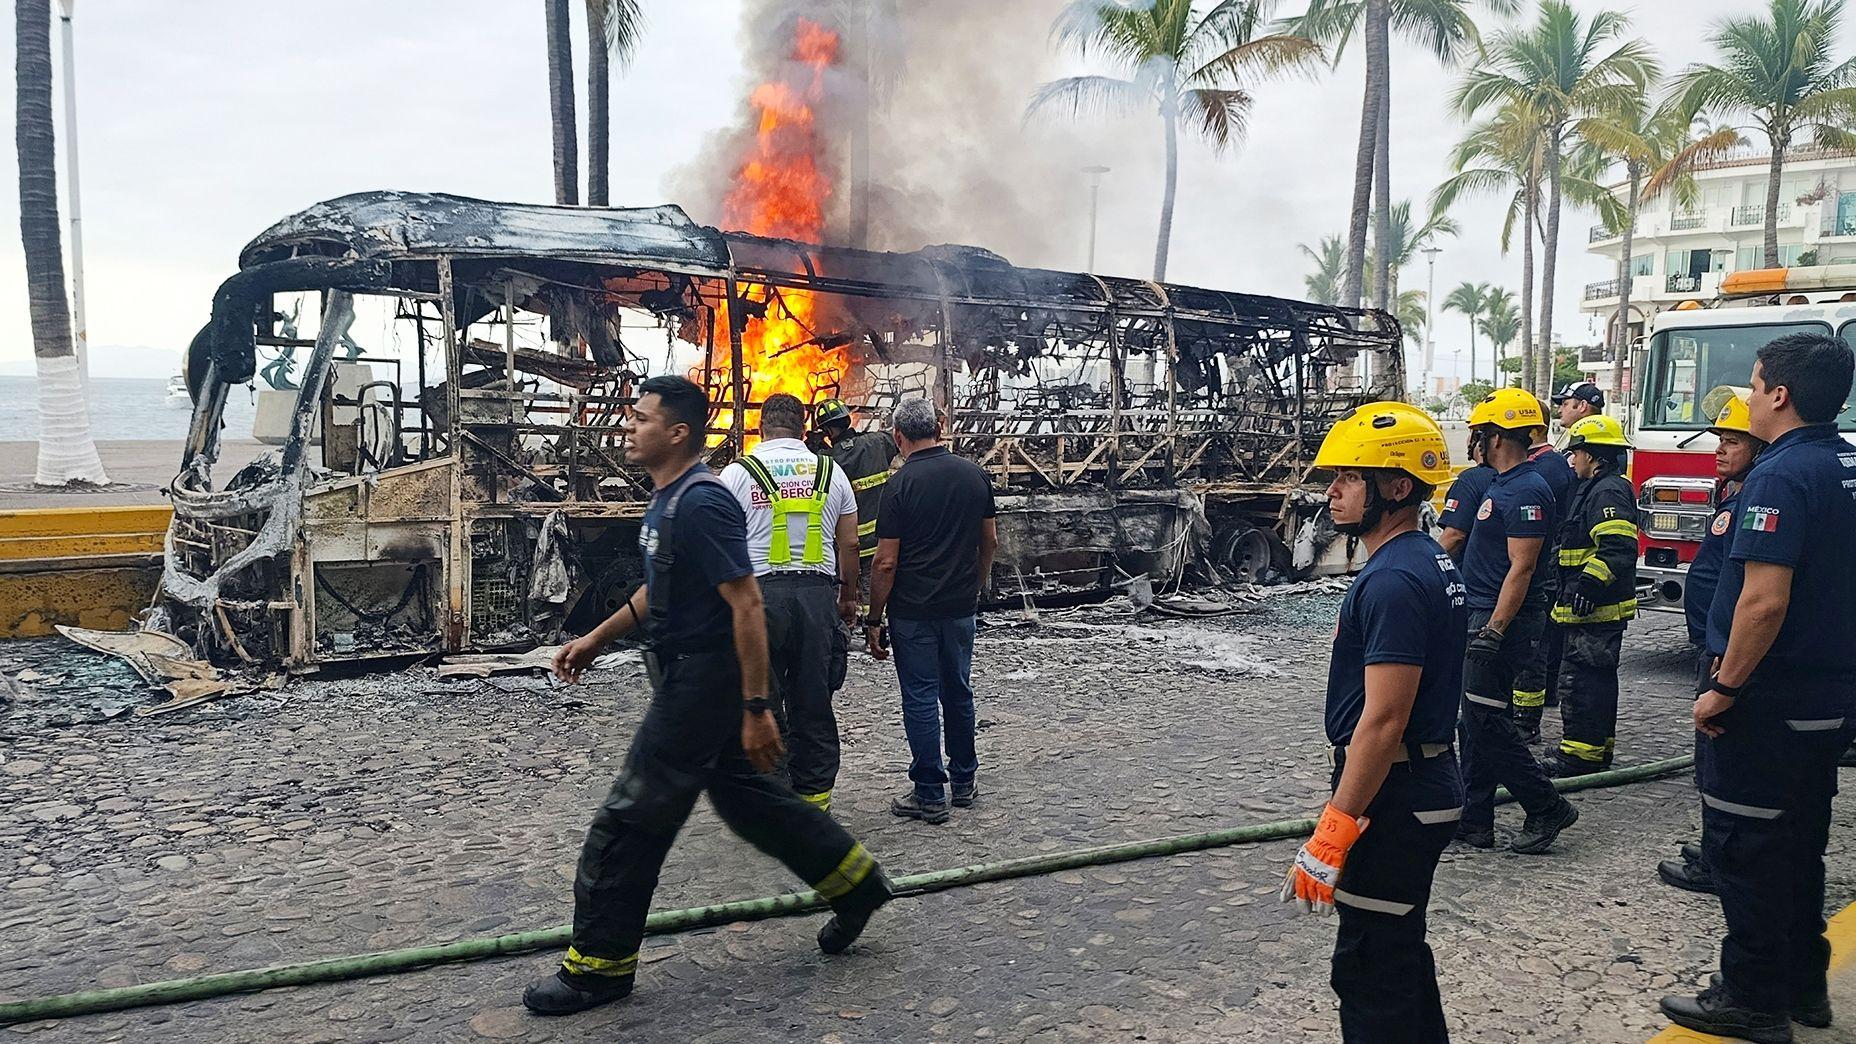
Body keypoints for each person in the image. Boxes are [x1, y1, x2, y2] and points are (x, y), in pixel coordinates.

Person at [525, 376, 890, 1016]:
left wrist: (754, 707)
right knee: (757, 806)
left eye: (641, 419)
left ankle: (598, 968)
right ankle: (855, 885)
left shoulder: (704, 502)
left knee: (630, 819)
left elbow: (745, 599)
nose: (629, 428)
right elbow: (656, 592)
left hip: (701, 682)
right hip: (687, 675)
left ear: (678, 433)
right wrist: (593, 638)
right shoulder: (670, 502)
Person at [1661, 333, 1856, 1043]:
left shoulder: (1778, 477)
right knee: (1799, 843)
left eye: (1751, 384)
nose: (1745, 398)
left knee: (1744, 851)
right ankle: (1804, 984)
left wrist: (1725, 688)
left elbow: (1763, 602)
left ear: (1778, 395)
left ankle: (1751, 998)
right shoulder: (1846, 464)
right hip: (1828, 698)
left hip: (1767, 703)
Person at [1279, 402, 1467, 1044]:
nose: (1331, 491)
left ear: (1396, 486)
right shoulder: (1425, 559)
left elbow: (1383, 722)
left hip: (1398, 795)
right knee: (1398, 950)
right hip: (1422, 784)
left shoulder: (1392, 579)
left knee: (1369, 969)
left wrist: (1333, 829)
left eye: (1349, 477)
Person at [720, 393, 860, 813]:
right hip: (816, 599)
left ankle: (775, 803)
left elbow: (721, 545)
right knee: (812, 702)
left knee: (762, 701)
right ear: (804, 429)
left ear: (761, 428)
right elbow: (850, 542)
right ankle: (814, 804)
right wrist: (849, 597)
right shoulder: (830, 472)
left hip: (758, 600)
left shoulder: (736, 475)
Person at [1455, 388, 1580, 854]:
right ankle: (1475, 820)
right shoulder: (1501, 483)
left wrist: (1494, 630)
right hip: (1483, 612)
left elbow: (1521, 567)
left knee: (1486, 720)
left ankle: (1546, 805)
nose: (1474, 443)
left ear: (1495, 436)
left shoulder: (1527, 488)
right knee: (1475, 720)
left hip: (1500, 620)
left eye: (1479, 434)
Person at [862, 397, 997, 824]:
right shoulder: (975, 475)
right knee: (958, 691)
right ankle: (963, 782)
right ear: (939, 428)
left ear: (899, 436)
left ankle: (929, 793)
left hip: (913, 612)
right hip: (959, 608)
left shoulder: (899, 486)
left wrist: (873, 617)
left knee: (920, 696)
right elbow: (988, 542)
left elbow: (885, 561)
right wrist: (974, 586)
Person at [1659, 389, 1766, 896]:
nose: (1719, 450)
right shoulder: (1736, 492)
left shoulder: (1756, 497)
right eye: (1719, 439)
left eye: (1732, 440)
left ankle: (1719, 863)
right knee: (1712, 758)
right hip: (1713, 642)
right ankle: (1715, 844)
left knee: (1721, 761)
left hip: (1725, 650)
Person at [1543, 415, 1639, 778]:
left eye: (1577, 453)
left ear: (1595, 456)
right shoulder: (1598, 488)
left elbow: (1617, 547)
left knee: (1582, 680)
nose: (1571, 460)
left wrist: (1588, 586)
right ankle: (1594, 748)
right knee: (1593, 679)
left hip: (1596, 607)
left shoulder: (1608, 491)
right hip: (1589, 606)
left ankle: (1580, 756)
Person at [1514, 404, 1575, 744]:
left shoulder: (1547, 468)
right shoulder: (1547, 465)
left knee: (1535, 648)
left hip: (1542, 568)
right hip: (1545, 566)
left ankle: (1527, 719)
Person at [814, 398, 899, 570]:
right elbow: (894, 441)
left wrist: (813, 447)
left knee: (844, 594)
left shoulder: (826, 460)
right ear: (848, 419)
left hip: (845, 549)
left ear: (827, 431)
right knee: (874, 595)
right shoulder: (878, 442)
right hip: (881, 543)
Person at [1436, 428, 1492, 562]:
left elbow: (1454, 537)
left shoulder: (1470, 480)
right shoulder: (1525, 477)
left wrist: (1427, 567)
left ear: (1479, 440)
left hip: (1475, 576)